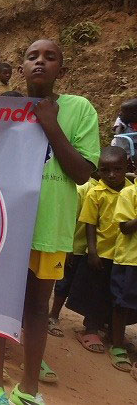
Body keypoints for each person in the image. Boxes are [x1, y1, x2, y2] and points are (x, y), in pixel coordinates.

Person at [0, 39, 99, 405]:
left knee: (37, 307)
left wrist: (50, 124)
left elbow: (82, 174)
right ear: (21, 68)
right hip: (5, 225)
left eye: (50, 58)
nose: (40, 62)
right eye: (32, 56)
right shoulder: (4, 108)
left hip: (49, 228)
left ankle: (29, 389)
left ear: (61, 71)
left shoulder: (80, 109)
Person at [65, 147, 130, 353]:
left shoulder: (131, 191)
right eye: (105, 170)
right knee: (95, 292)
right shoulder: (96, 193)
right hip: (101, 252)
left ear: (127, 167)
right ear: (98, 171)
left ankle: (113, 331)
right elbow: (90, 223)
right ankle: (90, 328)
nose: (111, 175)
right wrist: (91, 251)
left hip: (123, 255)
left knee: (116, 294)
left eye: (117, 169)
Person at [47, 174, 98, 338]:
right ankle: (53, 315)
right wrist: (67, 246)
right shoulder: (83, 189)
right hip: (74, 246)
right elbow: (70, 217)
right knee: (64, 282)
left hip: (93, 251)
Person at [111, 162, 137, 379]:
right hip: (130, 259)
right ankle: (117, 343)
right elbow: (125, 227)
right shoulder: (129, 193)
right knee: (123, 302)